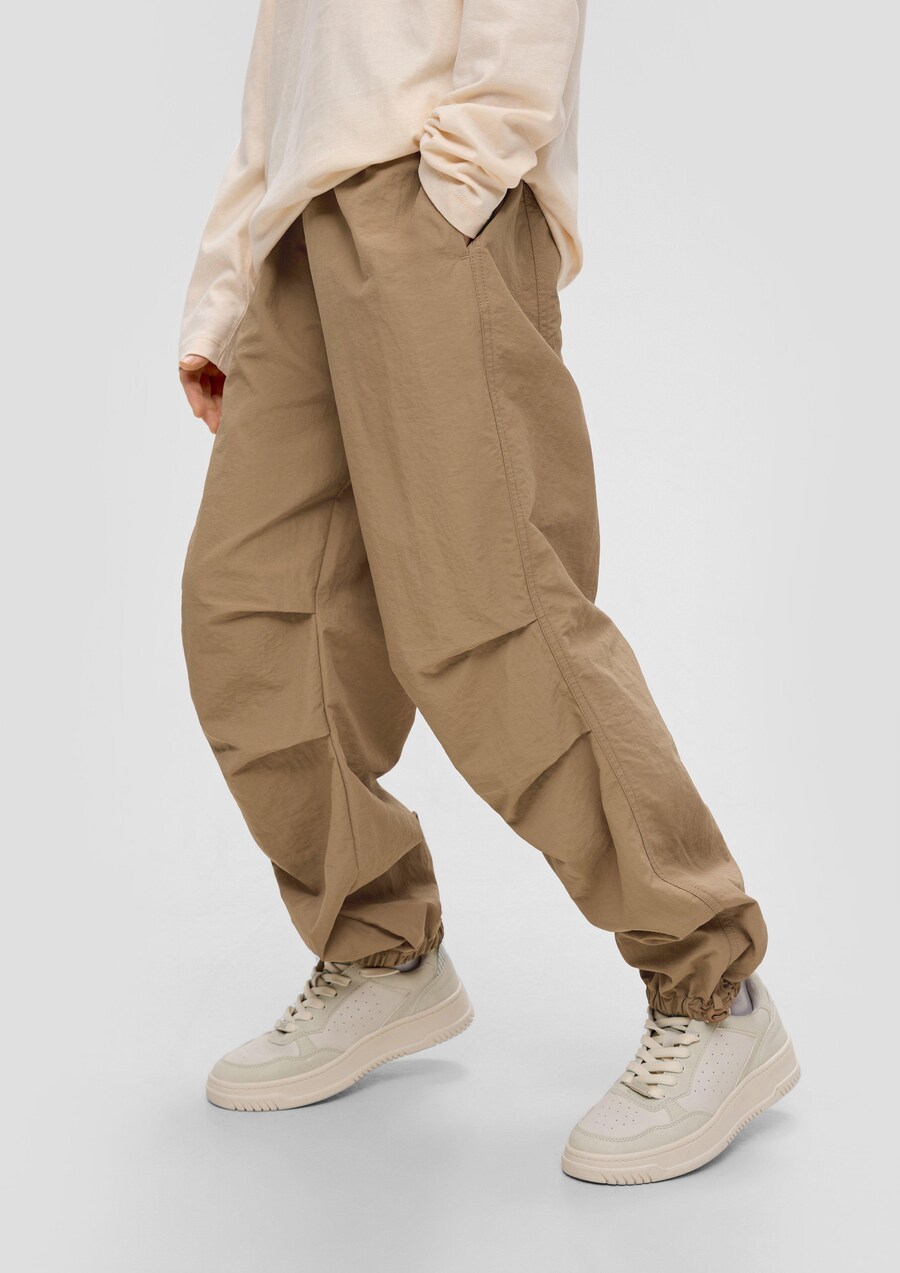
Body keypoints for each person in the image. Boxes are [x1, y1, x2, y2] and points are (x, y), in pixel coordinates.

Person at [178, 0, 798, 1183]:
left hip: (429, 191)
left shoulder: (450, 181)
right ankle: (380, 948)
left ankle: (713, 986)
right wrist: (227, 287)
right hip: (295, 236)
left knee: (491, 617)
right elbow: (281, 69)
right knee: (251, 617)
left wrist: (466, 171)